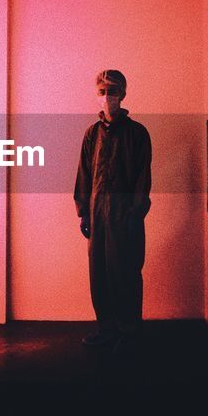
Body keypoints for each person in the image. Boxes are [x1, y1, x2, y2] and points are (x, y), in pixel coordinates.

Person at [74, 69, 152, 355]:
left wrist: (134, 214)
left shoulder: (137, 134)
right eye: (102, 92)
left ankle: (129, 333)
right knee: (100, 273)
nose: (107, 97)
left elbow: (142, 179)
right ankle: (106, 329)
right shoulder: (91, 135)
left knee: (126, 273)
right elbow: (84, 174)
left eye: (113, 92)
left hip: (125, 217)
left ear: (123, 94)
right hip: (97, 215)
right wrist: (84, 211)